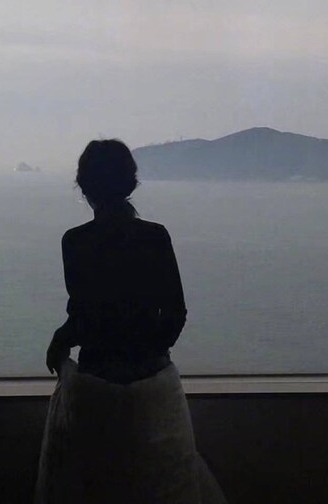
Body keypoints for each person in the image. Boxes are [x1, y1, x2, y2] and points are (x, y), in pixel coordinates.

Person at [35, 139, 227, 504]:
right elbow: (175, 313)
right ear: (131, 184)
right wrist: (148, 351)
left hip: (95, 384)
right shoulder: (155, 237)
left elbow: (82, 317)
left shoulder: (75, 242)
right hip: (153, 384)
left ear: (84, 187)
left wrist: (61, 341)